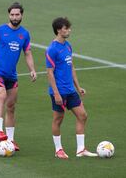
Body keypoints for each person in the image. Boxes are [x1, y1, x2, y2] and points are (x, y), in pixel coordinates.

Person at [0, 2, 37, 151]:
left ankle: (11, 140)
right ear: (9, 15)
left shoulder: (24, 34)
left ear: (21, 15)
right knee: (1, 96)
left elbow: (27, 53)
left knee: (11, 107)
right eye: (12, 14)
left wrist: (32, 69)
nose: (14, 17)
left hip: (12, 76)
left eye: (17, 14)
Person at [45, 17, 97, 159]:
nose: (69, 30)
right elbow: (49, 72)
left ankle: (81, 149)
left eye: (69, 28)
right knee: (58, 120)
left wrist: (78, 87)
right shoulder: (52, 49)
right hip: (59, 92)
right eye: (66, 28)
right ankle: (58, 150)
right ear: (58, 30)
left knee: (82, 115)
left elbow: (71, 67)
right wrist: (56, 94)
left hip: (71, 91)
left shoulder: (68, 46)